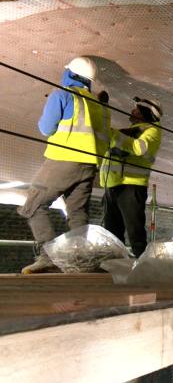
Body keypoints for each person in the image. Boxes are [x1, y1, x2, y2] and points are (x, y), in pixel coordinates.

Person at [18, 56, 110, 273]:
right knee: (77, 213)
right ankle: (81, 261)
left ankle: (48, 257)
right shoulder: (99, 105)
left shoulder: (63, 95)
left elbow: (46, 128)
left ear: (69, 74)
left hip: (63, 161)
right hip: (89, 166)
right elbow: (105, 140)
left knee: (33, 205)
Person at [100, 97, 162, 257]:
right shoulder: (131, 131)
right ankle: (115, 263)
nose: (133, 111)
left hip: (131, 186)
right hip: (113, 185)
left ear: (147, 114)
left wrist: (114, 134)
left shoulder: (152, 131)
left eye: (137, 110)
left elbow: (139, 148)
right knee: (112, 230)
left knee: (135, 230)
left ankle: (143, 264)